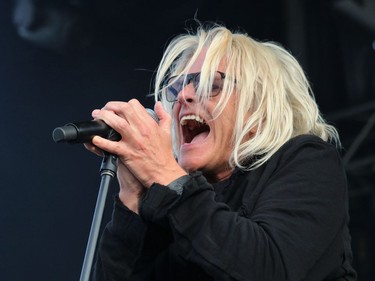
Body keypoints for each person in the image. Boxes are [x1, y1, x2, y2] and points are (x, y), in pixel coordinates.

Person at [85, 23, 357, 281]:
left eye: (211, 85)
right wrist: (132, 200)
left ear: (259, 110)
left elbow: (268, 268)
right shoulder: (166, 199)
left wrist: (164, 174)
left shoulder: (307, 161)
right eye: (178, 87)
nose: (184, 96)